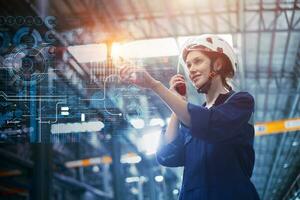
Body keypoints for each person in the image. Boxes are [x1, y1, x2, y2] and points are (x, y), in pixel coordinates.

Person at [120, 34, 260, 200]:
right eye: (188, 65)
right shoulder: (190, 120)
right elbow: (167, 155)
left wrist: (154, 85)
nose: (191, 69)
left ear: (218, 63)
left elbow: (210, 124)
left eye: (198, 61)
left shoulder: (240, 102)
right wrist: (178, 105)